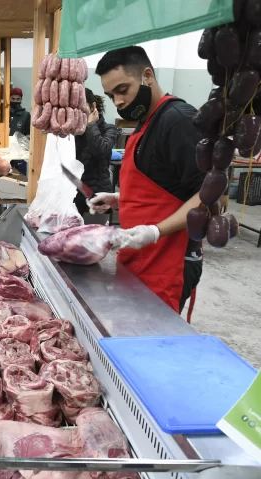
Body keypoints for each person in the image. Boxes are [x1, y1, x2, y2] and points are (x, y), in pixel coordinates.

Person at [91, 46, 204, 314]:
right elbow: (166, 186)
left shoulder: (179, 121)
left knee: (156, 342)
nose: (117, 101)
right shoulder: (145, 121)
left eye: (122, 89)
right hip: (139, 257)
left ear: (148, 75)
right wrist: (121, 200)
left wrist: (155, 231)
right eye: (111, 95)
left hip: (168, 261)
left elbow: (211, 197)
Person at [74, 88, 119, 219]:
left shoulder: (109, 129)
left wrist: (91, 125)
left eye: (82, 109)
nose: (79, 114)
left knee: (96, 236)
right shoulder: (74, 130)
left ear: (93, 106)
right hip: (75, 194)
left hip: (98, 195)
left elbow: (101, 150)